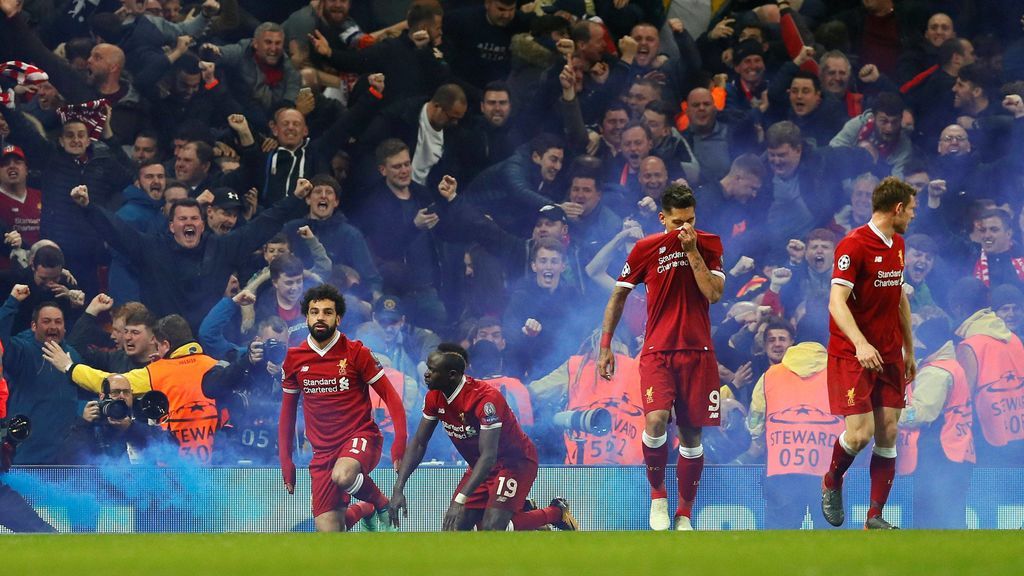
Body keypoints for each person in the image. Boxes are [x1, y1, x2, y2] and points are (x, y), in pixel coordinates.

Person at [598, 183, 726, 531]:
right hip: (657, 351)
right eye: (677, 222)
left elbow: (713, 294)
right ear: (662, 218)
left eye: (690, 221)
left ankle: (684, 514)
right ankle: (658, 497)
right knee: (655, 421)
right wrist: (606, 345)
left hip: (698, 352)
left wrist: (693, 251)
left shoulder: (709, 243)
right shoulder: (645, 248)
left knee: (691, 436)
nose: (684, 229)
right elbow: (618, 296)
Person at [389, 347, 578, 531]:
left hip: (514, 464)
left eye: (433, 371)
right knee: (454, 528)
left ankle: (556, 512)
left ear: (452, 375)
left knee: (492, 529)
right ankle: (521, 511)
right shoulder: (434, 397)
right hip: (480, 466)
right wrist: (398, 487)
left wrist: (459, 500)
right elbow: (420, 442)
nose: (426, 374)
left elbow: (489, 455)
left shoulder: (485, 400)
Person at [820, 177, 917, 530]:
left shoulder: (899, 244)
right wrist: (861, 343)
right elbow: (835, 301)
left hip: (890, 353)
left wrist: (909, 348)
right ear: (898, 209)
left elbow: (899, 298)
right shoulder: (853, 245)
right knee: (860, 434)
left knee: (888, 431)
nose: (913, 216)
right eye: (912, 209)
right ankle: (832, 480)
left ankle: (874, 516)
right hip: (852, 354)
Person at [278, 284, 408, 532]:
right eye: (314, 312)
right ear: (306, 317)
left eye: (327, 312)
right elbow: (287, 413)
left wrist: (399, 441)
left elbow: (391, 398)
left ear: (338, 318)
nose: (320, 317)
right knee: (330, 533)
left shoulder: (356, 352)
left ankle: (381, 504)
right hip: (322, 452)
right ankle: (363, 509)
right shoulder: (294, 358)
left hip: (359, 437)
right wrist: (286, 460)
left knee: (344, 475)